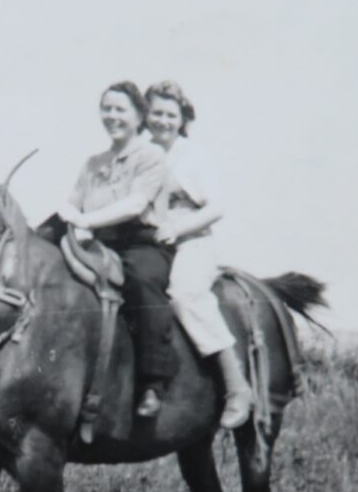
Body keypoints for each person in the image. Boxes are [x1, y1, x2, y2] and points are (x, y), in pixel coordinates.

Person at [55, 81, 176, 417]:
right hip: (99, 241)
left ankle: (154, 382)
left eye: (120, 109)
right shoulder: (93, 162)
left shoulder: (152, 156)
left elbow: (135, 205)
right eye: (106, 108)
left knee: (140, 280)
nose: (111, 116)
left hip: (141, 242)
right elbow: (71, 204)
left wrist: (85, 220)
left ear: (139, 116)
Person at [144, 80, 252, 429]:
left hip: (192, 240)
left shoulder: (194, 156)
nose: (162, 121)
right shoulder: (142, 153)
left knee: (186, 294)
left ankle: (236, 386)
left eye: (170, 114)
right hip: (152, 241)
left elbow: (217, 206)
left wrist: (178, 229)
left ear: (182, 118)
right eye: (156, 113)